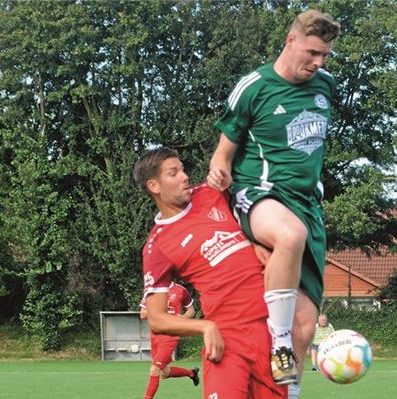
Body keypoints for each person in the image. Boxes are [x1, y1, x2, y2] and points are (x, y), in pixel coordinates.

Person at [207, 8, 341, 393]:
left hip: (308, 206)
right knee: (289, 234)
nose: (317, 63)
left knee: (305, 326)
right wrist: (220, 171)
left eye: (325, 56)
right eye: (312, 53)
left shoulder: (324, 86)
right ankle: (276, 340)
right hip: (260, 193)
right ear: (291, 41)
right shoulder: (254, 87)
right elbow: (222, 154)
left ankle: (290, 386)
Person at [133, 147, 286, 399]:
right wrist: (204, 327)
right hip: (227, 339)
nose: (184, 176)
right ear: (154, 185)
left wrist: (258, 238)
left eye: (182, 169)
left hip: (275, 333)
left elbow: (254, 206)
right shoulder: (157, 246)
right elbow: (157, 319)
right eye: (174, 173)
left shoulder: (211, 193)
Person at [139, 281, 199, 399]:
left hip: (171, 334)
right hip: (155, 334)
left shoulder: (180, 290)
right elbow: (143, 314)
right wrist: (159, 308)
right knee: (164, 373)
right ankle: (191, 373)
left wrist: (181, 318)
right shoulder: (151, 290)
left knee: (154, 370)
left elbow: (191, 310)